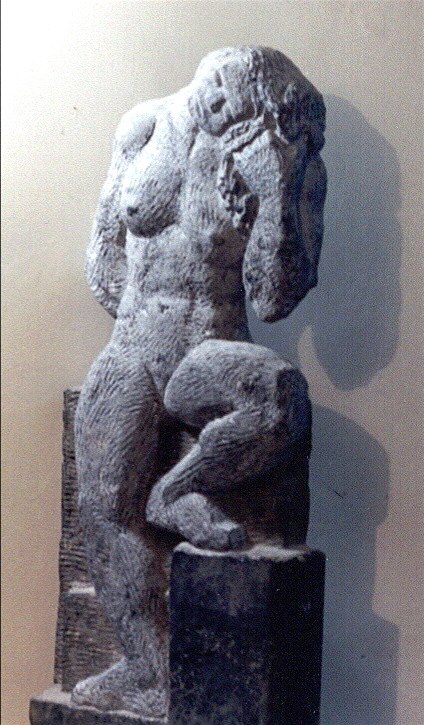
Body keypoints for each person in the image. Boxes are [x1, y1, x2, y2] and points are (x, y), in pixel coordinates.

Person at [72, 46, 327, 717]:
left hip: (208, 348)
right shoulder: (144, 126)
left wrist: (275, 192)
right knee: (102, 503)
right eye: (218, 82)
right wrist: (146, 324)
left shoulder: (285, 150)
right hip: (132, 347)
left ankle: (176, 489)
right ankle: (148, 672)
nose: (218, 99)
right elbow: (102, 258)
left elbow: (274, 298)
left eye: (237, 99)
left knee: (280, 399)